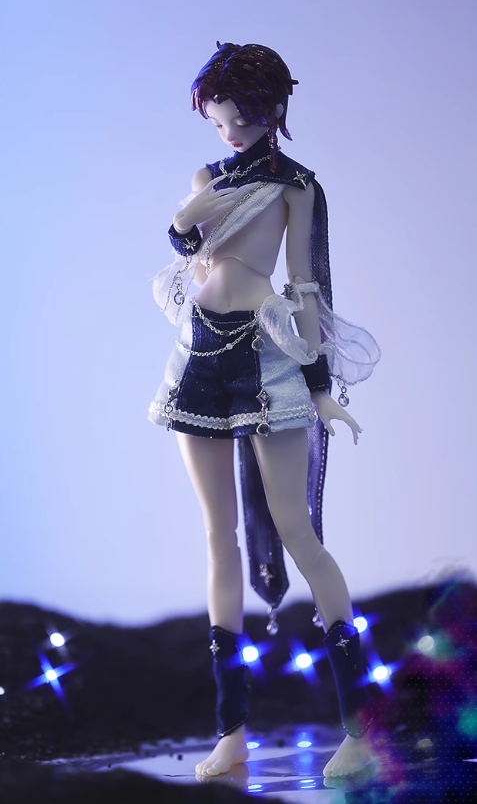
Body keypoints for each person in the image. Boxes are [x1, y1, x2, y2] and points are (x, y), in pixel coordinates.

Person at [148, 42, 381, 778]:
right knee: (217, 538)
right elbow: (191, 250)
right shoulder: (208, 178)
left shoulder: (296, 186)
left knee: (297, 533)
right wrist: (187, 216)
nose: (228, 134)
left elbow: (306, 282)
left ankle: (361, 728)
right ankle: (231, 731)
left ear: (273, 110)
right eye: (218, 122)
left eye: (240, 120)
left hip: (266, 354)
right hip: (197, 356)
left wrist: (319, 384)